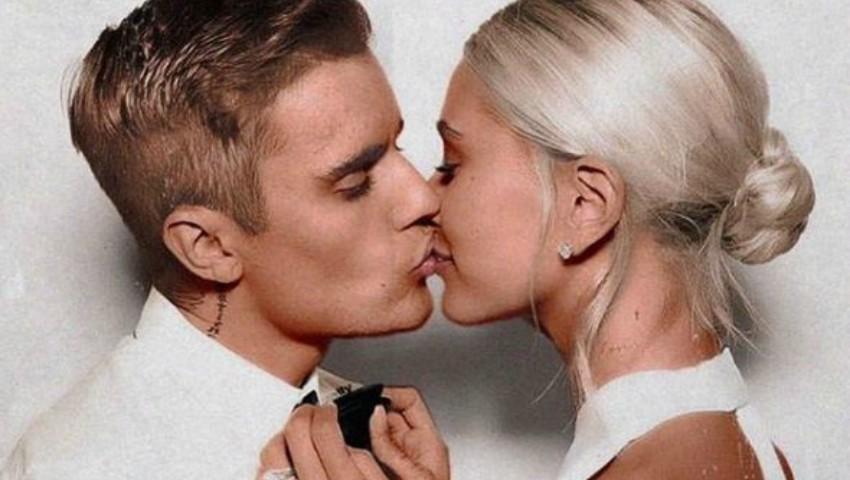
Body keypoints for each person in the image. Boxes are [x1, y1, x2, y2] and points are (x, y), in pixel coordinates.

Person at [279, 0, 814, 479]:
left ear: (585, 205)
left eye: (452, 165)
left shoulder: (662, 467)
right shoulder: (711, 438)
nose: (425, 197)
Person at [0, 1, 450, 479]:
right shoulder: (81, 467)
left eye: (397, 147)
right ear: (208, 246)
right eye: (355, 182)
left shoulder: (367, 422)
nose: (423, 197)